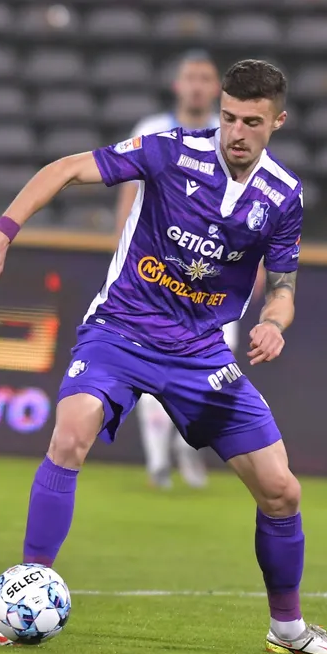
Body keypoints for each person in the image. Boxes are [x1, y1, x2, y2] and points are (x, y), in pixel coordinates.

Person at [0, 60, 327, 654]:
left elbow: (282, 287)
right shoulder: (170, 150)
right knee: (70, 433)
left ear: (278, 121)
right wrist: (2, 231)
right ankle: (26, 595)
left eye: (251, 122)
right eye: (228, 117)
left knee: (281, 491)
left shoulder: (283, 196)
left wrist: (273, 324)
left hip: (200, 353)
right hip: (121, 330)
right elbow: (66, 169)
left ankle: (288, 630)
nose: (235, 132)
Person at [114, 50, 248, 490]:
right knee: (150, 364)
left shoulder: (233, 138)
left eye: (205, 78)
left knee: (214, 373)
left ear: (217, 89)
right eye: (190, 77)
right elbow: (128, 197)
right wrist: (125, 261)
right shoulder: (152, 131)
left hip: (212, 278)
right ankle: (158, 461)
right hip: (156, 275)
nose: (196, 85)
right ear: (177, 84)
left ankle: (188, 449)